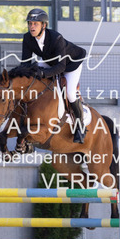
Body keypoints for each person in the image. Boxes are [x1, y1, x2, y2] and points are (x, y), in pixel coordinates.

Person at [21, 8, 87, 143]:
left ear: (44, 25)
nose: (32, 27)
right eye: (30, 23)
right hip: (50, 61)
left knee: (70, 93)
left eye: (35, 24)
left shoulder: (56, 38)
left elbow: (61, 67)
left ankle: (80, 127)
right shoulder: (27, 38)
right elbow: (25, 63)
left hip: (71, 64)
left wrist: (43, 73)